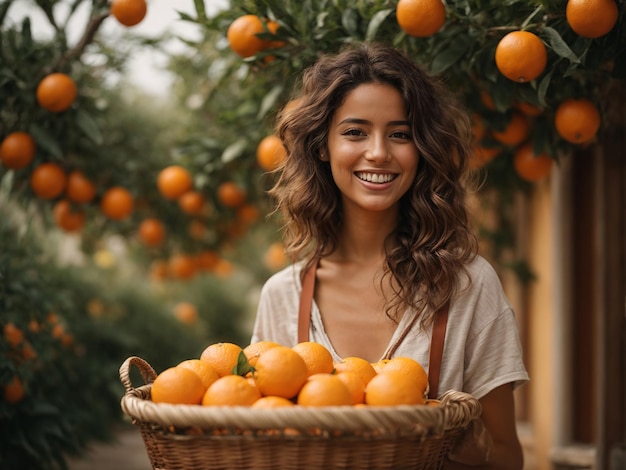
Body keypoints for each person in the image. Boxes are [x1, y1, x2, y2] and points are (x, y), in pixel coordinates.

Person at [252, 42, 529, 469]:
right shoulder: (282, 297)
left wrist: (467, 450)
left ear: (422, 149)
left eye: (400, 134)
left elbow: (507, 454)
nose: (379, 152)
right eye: (355, 132)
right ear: (322, 147)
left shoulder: (469, 285)